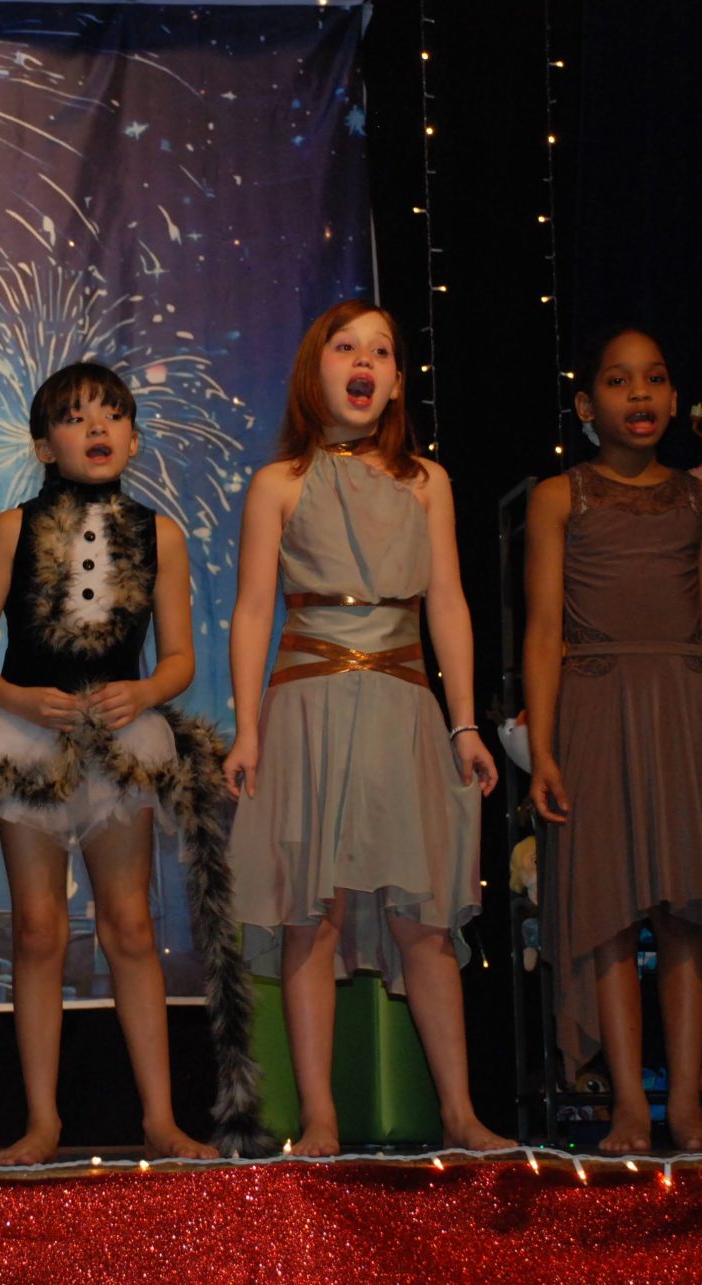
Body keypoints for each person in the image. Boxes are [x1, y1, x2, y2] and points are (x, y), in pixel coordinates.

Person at [0, 361, 228, 1166]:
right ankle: (43, 1121)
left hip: (121, 743)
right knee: (39, 929)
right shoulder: (12, 529)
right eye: (75, 418)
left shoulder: (161, 535)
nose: (97, 428)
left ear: (135, 439)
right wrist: (17, 698)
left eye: (112, 415)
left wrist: (144, 689)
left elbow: (179, 658)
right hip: (28, 742)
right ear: (44, 445)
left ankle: (160, 1118)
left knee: (131, 925)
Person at [227, 299, 510, 1157]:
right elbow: (253, 611)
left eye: (381, 351)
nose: (364, 362)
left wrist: (464, 724)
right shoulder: (279, 483)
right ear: (314, 370)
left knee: (423, 916)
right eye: (346, 347)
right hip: (309, 706)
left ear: (395, 380)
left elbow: (449, 602)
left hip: (402, 705)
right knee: (311, 912)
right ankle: (320, 1116)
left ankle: (460, 1113)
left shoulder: (428, 482)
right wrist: (247, 730)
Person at [526, 325, 702, 1154]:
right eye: (620, 381)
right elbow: (544, 629)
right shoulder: (560, 497)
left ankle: (688, 1107)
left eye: (654, 378)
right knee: (610, 915)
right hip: (596, 704)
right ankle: (629, 1105)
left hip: (686, 707)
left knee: (688, 912)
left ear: (674, 397)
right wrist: (543, 747)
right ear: (588, 405)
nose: (640, 395)